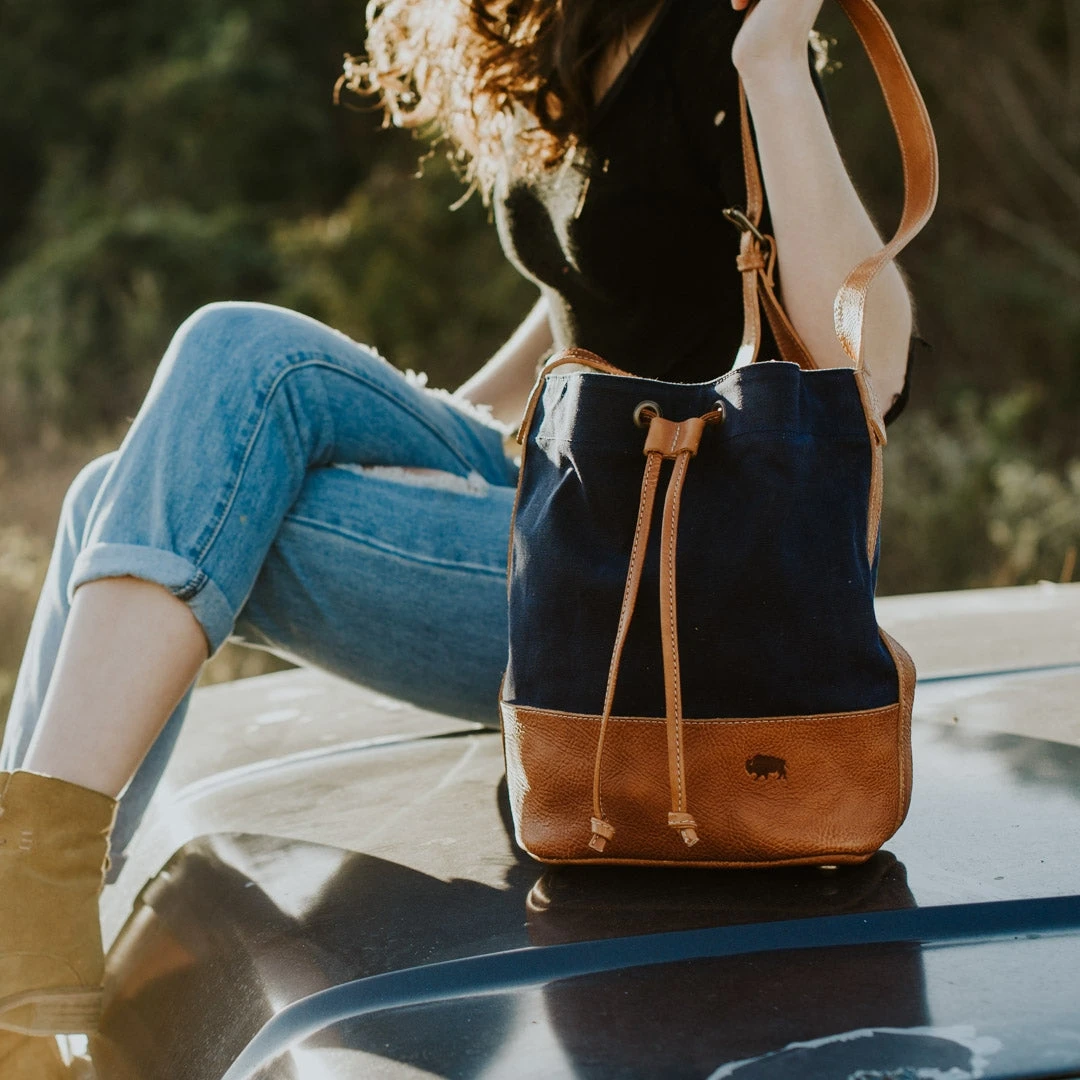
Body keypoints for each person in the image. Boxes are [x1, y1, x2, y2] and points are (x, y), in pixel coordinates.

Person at [0, 0, 915, 1072]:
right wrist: (431, 447)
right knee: (168, 427)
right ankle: (24, 939)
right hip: (557, 495)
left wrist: (768, 56)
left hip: (656, 593)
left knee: (161, 495)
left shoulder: (724, 44)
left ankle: (23, 924)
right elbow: (591, 308)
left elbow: (870, 366)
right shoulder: (575, 41)